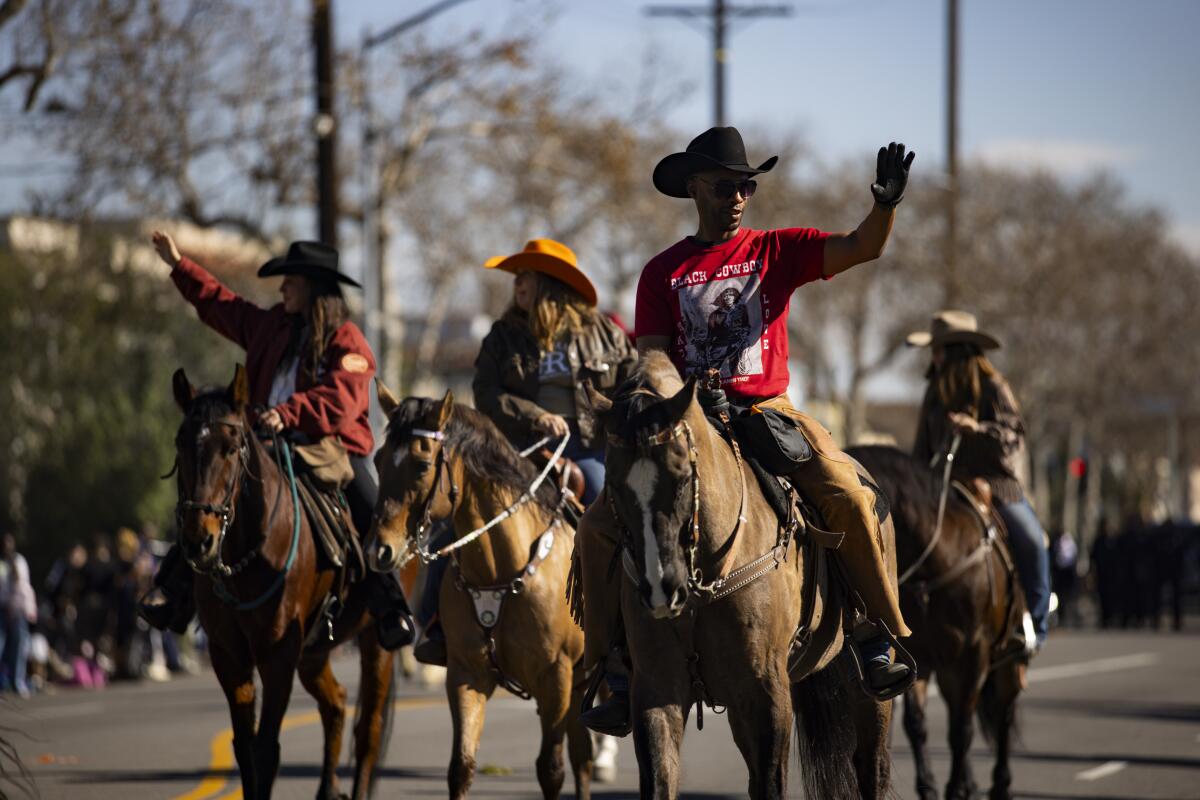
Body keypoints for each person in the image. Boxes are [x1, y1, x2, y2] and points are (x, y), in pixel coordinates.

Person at [578, 126, 916, 735]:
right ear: (695, 189)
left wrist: (884, 206)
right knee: (599, 523)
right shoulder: (662, 272)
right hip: (686, 422)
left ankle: (876, 633)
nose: (739, 197)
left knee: (848, 491)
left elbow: (862, 246)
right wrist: (666, 392)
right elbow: (653, 355)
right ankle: (611, 664)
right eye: (727, 186)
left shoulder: (775, 250)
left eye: (747, 186)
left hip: (768, 412)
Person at [137, 232, 415, 650]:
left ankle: (392, 608)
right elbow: (222, 305)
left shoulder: (348, 341)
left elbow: (342, 398)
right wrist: (180, 266)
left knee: (372, 511)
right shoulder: (270, 326)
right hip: (265, 444)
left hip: (329, 448)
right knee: (211, 493)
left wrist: (288, 414)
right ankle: (174, 591)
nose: (282, 288)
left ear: (314, 288)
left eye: (291, 282)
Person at [411, 239, 636, 666]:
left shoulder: (602, 332)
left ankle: (623, 624)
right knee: (454, 517)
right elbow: (485, 393)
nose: (518, 283)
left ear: (551, 283)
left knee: (611, 504)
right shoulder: (503, 337)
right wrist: (533, 415)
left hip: (586, 447)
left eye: (527, 275)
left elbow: (630, 379)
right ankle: (434, 622)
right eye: (518, 276)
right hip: (517, 450)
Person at [908, 310, 1051, 654]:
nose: (935, 357)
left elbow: (1014, 436)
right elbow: (920, 450)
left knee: (1033, 542)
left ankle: (1034, 626)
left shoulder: (992, 386)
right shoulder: (934, 393)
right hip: (944, 488)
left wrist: (978, 429)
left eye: (940, 350)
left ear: (957, 351)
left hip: (996, 486)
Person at [0, 533, 37, 696]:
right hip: (3, 608)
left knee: (19, 647)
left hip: (19, 610)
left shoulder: (19, 561)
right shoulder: (1, 564)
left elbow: (20, 583)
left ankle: (17, 681)